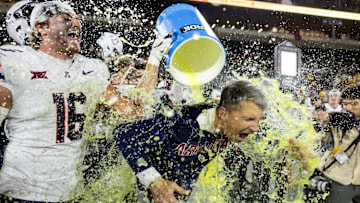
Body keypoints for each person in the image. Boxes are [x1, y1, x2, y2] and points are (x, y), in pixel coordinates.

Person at [0, 1, 171, 202]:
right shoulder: (14, 63)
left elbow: (135, 114)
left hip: (72, 191)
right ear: (39, 27)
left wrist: (154, 59)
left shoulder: (89, 70)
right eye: (65, 19)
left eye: (75, 19)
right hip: (20, 192)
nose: (75, 24)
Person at [115, 79, 309, 202]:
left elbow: (266, 142)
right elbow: (123, 132)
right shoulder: (181, 121)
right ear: (223, 114)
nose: (255, 127)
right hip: (142, 191)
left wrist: (289, 149)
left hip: (181, 193)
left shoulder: (239, 129)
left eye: (258, 120)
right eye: (249, 119)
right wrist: (155, 182)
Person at [317, 84, 360, 203]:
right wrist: (327, 129)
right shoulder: (337, 123)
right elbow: (326, 148)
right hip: (340, 180)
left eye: (354, 104)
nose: (349, 108)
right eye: (345, 104)